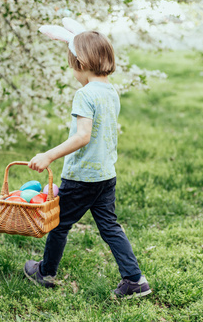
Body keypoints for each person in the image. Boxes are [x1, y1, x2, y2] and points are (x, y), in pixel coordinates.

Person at [24, 21, 151, 299]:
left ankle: (45, 271)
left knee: (58, 224)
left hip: (82, 177)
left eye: (72, 66)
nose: (73, 72)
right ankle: (135, 280)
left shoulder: (84, 94)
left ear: (79, 63)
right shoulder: (110, 91)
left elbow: (82, 137)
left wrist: (48, 155)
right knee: (110, 227)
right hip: (105, 175)